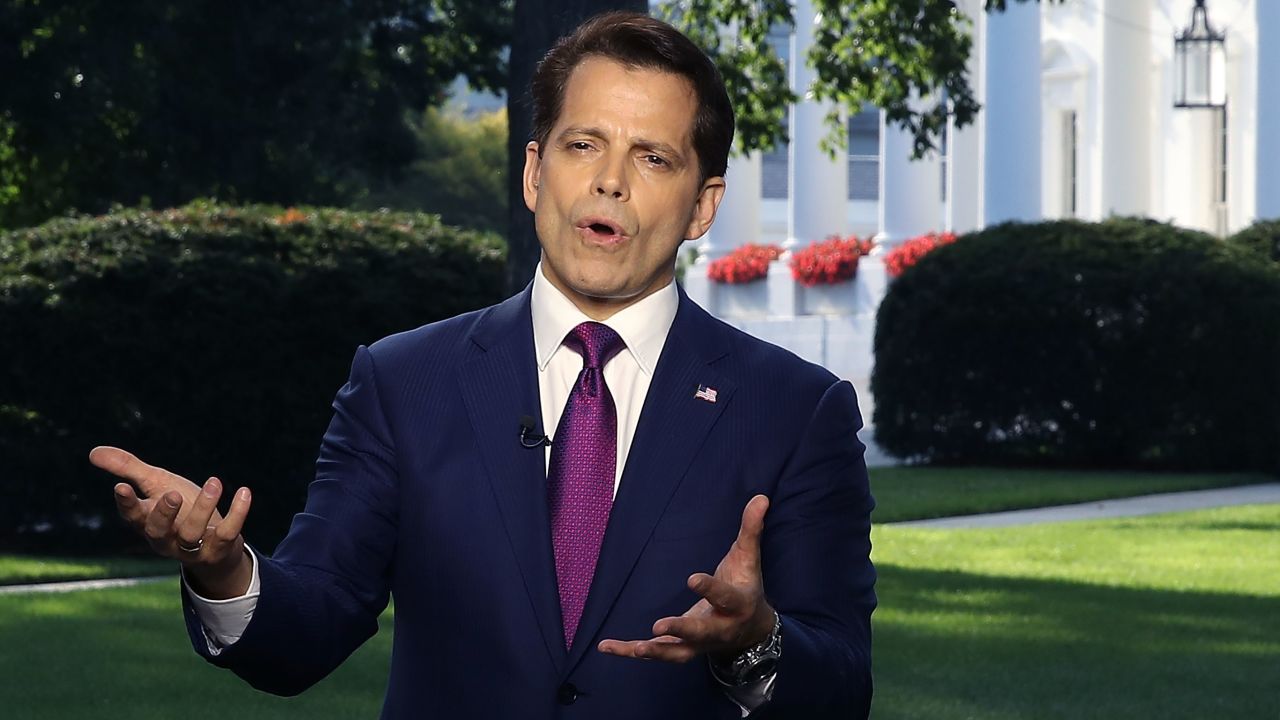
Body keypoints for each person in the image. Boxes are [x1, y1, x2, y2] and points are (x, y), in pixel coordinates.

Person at [90, 11, 875, 719]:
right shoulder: (402, 384)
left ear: (703, 206)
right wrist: (225, 572)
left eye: (652, 157)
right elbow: (311, 624)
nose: (609, 179)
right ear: (536, 173)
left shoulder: (795, 411)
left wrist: (755, 639)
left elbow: (840, 691)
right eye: (583, 145)